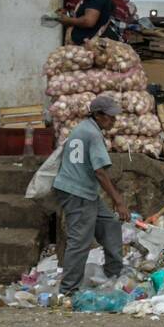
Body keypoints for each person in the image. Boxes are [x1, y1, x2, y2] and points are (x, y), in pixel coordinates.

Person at [52, 94, 130, 298]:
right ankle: (68, 290)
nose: (113, 120)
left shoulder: (84, 129)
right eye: (110, 117)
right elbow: (100, 172)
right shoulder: (92, 134)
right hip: (77, 192)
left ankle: (113, 273)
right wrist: (118, 200)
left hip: (85, 192)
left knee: (110, 224)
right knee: (80, 240)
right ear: (98, 115)